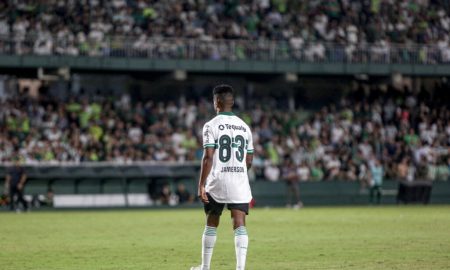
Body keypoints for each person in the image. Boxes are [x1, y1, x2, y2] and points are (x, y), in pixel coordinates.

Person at [191, 85, 254, 270]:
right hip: (239, 181)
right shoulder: (245, 127)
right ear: (232, 102)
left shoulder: (210, 125)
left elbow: (208, 157)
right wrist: (239, 171)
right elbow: (249, 160)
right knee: (239, 223)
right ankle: (240, 268)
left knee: (212, 220)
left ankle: (205, 267)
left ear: (216, 101)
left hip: (217, 180)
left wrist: (201, 185)